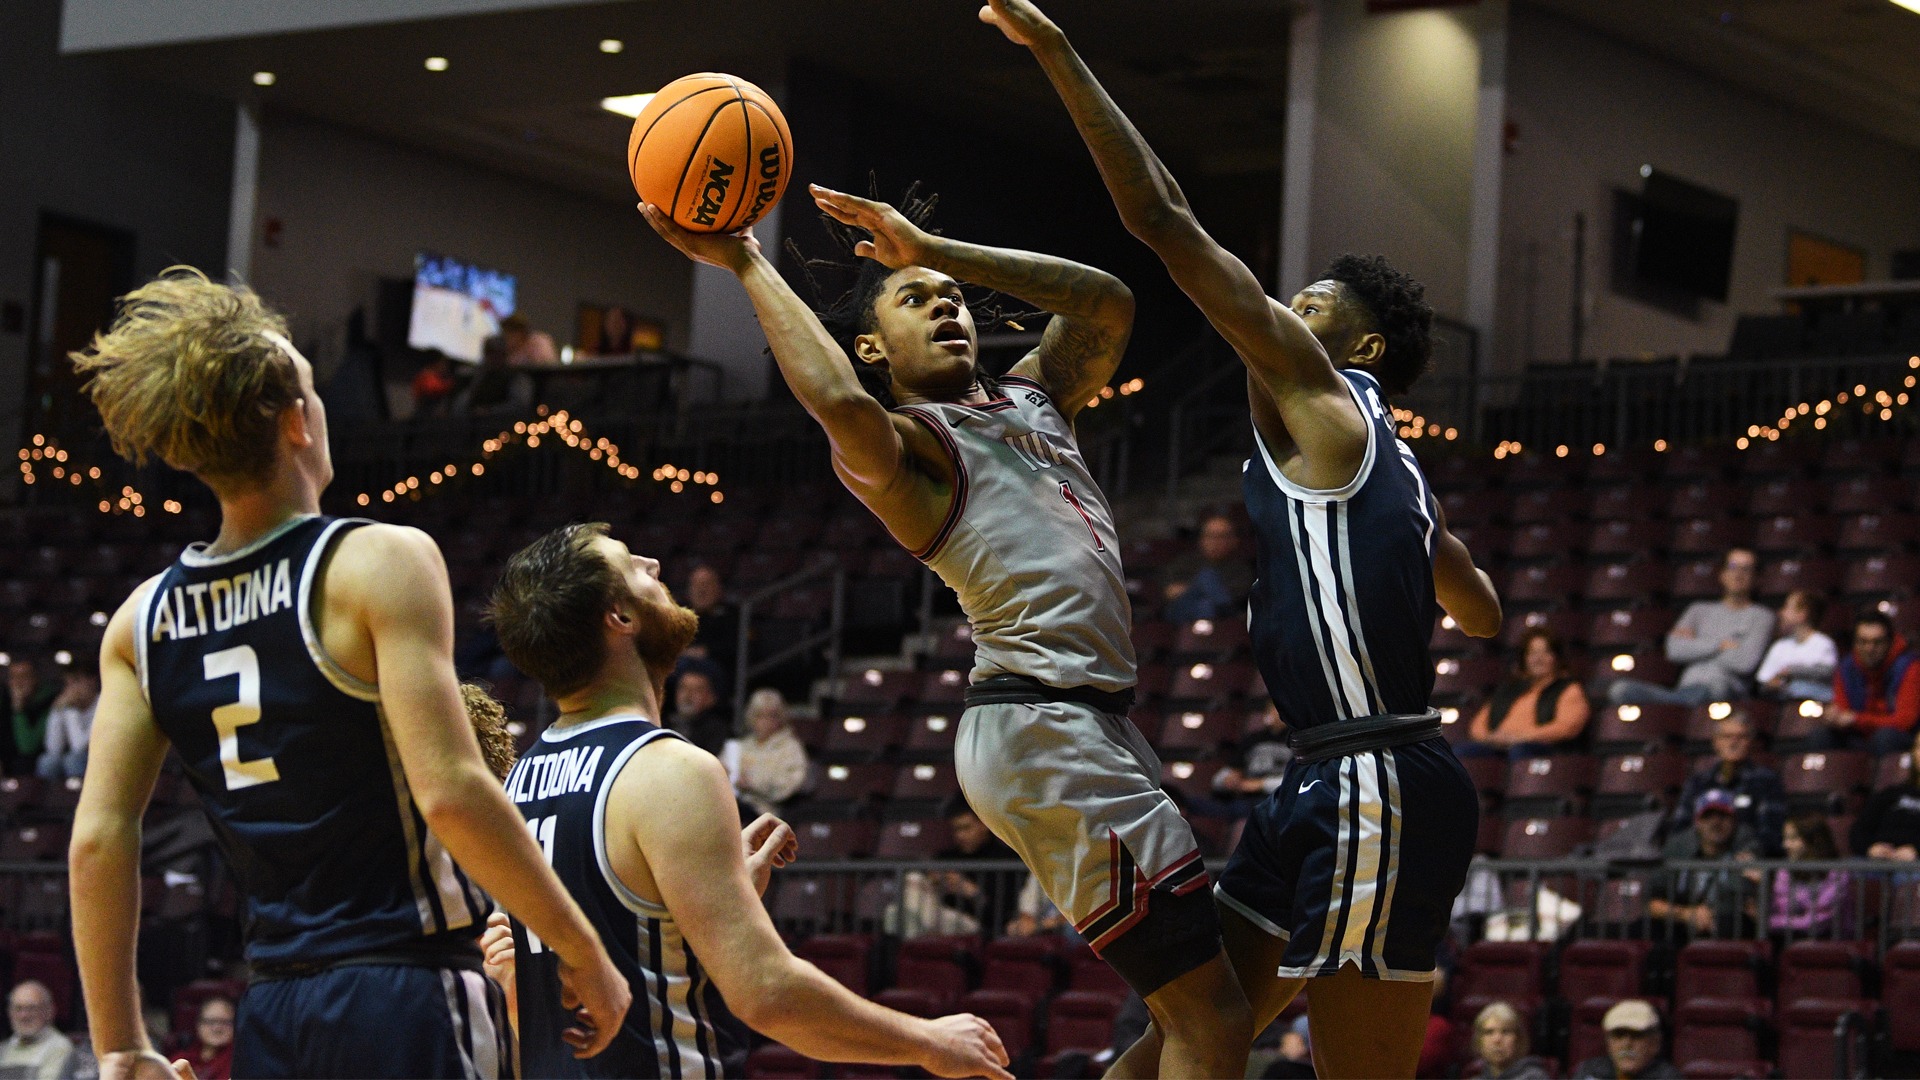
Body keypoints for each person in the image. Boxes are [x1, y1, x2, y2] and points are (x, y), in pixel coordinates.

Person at [643, 153, 1251, 1076]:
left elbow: (1107, 304)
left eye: (950, 295)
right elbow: (839, 401)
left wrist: (935, 248)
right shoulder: (910, 449)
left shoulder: (1036, 398)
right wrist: (746, 263)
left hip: (1092, 722)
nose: (944, 304)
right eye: (913, 300)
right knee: (1213, 1020)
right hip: (1042, 720)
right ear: (875, 348)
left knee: (1192, 1016)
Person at [981, 3, 1505, 1076]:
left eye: (1301, 302)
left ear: (1353, 344)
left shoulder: (1325, 398)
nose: (1272, 308)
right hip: (1316, 778)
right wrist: (1413, 551)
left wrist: (1061, 50)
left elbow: (1165, 219)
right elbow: (1484, 609)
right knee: (1196, 1025)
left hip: (1377, 773)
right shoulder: (1389, 462)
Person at [66, 268, 629, 1079]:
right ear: (297, 420)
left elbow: (99, 841)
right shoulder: (376, 562)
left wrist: (121, 1045)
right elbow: (452, 792)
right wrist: (582, 949)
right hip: (406, 987)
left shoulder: (139, 624)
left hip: (274, 1005)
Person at [480, 523, 1011, 1079]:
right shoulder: (667, 770)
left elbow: (591, 964)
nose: (655, 564)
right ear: (621, 617)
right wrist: (928, 1040)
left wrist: (702, 896)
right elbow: (766, 993)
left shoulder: (520, 785)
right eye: (632, 566)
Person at [1608, 549, 1773, 707]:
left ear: (1756, 577)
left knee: (1714, 690)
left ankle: (1675, 706)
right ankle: (1676, 705)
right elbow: (1674, 650)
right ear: (1722, 574)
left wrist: (1695, 644)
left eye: (1746, 569)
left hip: (1723, 692)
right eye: (1732, 567)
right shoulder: (1697, 610)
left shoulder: (1762, 616)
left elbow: (1744, 663)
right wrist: (1721, 645)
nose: (1738, 574)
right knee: (1620, 689)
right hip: (1685, 689)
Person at [1646, 790, 1759, 941]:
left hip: (1727, 923)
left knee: (1733, 923)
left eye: (1723, 816)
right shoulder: (1678, 848)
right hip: (1684, 920)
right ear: (1697, 822)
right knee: (1645, 928)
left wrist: (1709, 915)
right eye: (1708, 817)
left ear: (1734, 821)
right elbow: (1651, 903)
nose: (1716, 822)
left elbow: (1743, 899)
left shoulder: (1746, 847)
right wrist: (1687, 914)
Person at [1670, 711, 1787, 855]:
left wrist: (1753, 852)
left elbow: (1771, 831)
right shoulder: (1698, 782)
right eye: (1727, 737)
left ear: (1751, 742)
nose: (1733, 742)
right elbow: (1681, 827)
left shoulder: (1767, 781)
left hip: (1746, 860)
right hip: (1700, 859)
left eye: (1741, 737)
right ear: (1716, 742)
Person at [1462, 630, 1590, 760]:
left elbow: (1567, 727)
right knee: (1462, 752)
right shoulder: (1509, 689)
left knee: (1520, 750)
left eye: (1545, 652)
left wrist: (1522, 737)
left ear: (1556, 657)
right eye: (1532, 653)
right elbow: (1478, 724)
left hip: (1541, 749)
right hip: (1499, 746)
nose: (1538, 659)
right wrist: (1490, 738)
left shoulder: (1569, 689)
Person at [1822, 610, 1919, 755]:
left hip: (1900, 738)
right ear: (1854, 643)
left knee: (1885, 738)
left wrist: (1856, 719)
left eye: (1877, 642)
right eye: (1863, 642)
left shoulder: (1910, 668)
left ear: (1890, 642)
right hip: (1861, 736)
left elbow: (1905, 721)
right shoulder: (1846, 668)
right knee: (1822, 736)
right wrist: (1834, 717)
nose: (1870, 648)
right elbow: (1842, 710)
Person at [930, 795, 1023, 937]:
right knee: (913, 882)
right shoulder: (945, 859)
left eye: (966, 828)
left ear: (983, 824)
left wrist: (971, 892)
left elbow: (1003, 915)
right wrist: (934, 883)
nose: (960, 835)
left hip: (979, 928)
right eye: (956, 830)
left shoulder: (1007, 859)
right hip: (939, 916)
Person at [1751, 811, 1852, 939]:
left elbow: (1818, 922)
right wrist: (1762, 886)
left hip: (1831, 940)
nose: (1785, 845)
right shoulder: (1785, 871)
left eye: (1793, 838)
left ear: (1813, 841)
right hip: (1791, 937)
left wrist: (1770, 922)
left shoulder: (1838, 873)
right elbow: (1783, 908)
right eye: (1785, 838)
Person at [720, 688, 810, 815]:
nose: (765, 721)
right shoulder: (740, 746)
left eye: (771, 715)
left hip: (767, 812)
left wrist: (752, 783)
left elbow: (789, 785)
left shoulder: (790, 748)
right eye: (759, 715)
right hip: (732, 806)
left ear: (781, 717)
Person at [1159, 513, 1254, 624]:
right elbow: (1170, 591)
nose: (1216, 542)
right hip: (1182, 611)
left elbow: (1238, 596)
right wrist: (1197, 588)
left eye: (1222, 536)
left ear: (1233, 540)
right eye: (1211, 536)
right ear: (1202, 539)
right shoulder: (1184, 563)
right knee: (1206, 578)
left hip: (1220, 616)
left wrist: (1190, 588)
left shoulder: (1241, 569)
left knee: (1205, 603)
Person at [1756, 590, 1837, 703]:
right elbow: (1764, 680)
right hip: (1784, 702)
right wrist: (1772, 684)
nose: (1781, 613)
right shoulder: (1780, 646)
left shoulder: (1823, 643)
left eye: (1787, 607)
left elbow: (1827, 672)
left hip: (1815, 703)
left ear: (1802, 614)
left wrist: (1791, 671)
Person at [1851, 727, 1920, 860]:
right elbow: (1859, 830)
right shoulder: (1891, 793)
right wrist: (1871, 848)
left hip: (1914, 867)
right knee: (1848, 869)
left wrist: (1917, 851)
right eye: (1918, 747)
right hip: (1878, 863)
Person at [1569, 1000, 1681, 1080]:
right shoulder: (1590, 1073)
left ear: (1654, 1044)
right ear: (1608, 1043)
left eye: (1636, 1035)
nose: (1626, 1044)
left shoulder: (1669, 1077)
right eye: (1618, 1035)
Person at [1211, 702, 1293, 809]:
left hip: (1280, 798)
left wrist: (1261, 785)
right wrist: (1228, 779)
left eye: (1276, 711)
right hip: (1244, 798)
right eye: (1269, 711)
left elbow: (1297, 780)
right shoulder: (1253, 738)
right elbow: (1225, 775)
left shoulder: (1296, 740)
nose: (1271, 714)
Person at [0, 980, 72, 1079]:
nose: (24, 1015)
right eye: (18, 1008)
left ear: (49, 1011)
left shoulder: (60, 1048)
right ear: (9, 1012)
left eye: (31, 1008)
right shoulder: (4, 1049)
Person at [36, 667, 98, 781]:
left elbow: (79, 746)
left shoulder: (102, 704)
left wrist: (70, 710)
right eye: (68, 684)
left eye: (76, 681)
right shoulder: (67, 705)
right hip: (75, 756)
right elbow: (53, 748)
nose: (72, 689)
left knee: (73, 760)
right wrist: (56, 711)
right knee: (47, 761)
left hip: (99, 758)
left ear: (92, 681)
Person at [680, 565, 739, 679]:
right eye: (696, 585)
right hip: (679, 667)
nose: (701, 590)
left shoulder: (733, 615)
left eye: (706, 584)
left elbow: (734, 648)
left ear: (718, 588)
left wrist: (706, 652)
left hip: (717, 670)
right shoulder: (679, 614)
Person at [1467, 1001, 1549, 1080]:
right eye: (1489, 1032)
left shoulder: (1535, 1077)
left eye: (1506, 1032)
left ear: (1518, 1040)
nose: (1497, 1039)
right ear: (1479, 1041)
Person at [4, 659, 57, 776]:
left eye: (24, 676)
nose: (19, 682)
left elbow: (28, 747)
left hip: (37, 764)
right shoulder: (4, 700)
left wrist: (19, 710)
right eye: (14, 677)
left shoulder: (50, 701)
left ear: (35, 679)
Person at [668, 664, 732, 757]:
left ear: (710, 697)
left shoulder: (716, 730)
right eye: (683, 687)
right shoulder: (661, 722)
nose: (688, 695)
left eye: (697, 690)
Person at [178, 996, 235, 1080]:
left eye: (224, 1022)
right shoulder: (181, 1060)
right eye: (210, 1021)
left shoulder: (241, 1062)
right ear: (198, 1024)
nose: (217, 1028)